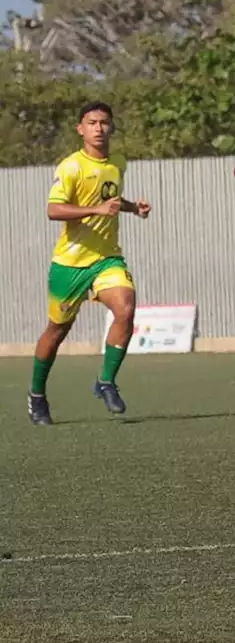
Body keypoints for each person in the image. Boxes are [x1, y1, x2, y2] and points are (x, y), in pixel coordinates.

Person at [27, 102, 151, 426]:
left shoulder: (118, 163)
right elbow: (54, 210)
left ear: (112, 128)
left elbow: (108, 196)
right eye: (92, 122)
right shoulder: (71, 167)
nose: (99, 128)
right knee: (56, 331)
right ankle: (36, 396)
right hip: (69, 265)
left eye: (104, 122)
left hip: (106, 259)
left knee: (125, 307)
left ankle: (106, 381)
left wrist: (130, 207)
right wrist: (95, 211)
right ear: (80, 129)